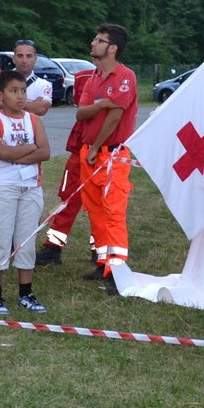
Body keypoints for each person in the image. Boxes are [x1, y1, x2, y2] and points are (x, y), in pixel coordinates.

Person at [0, 68, 51, 315]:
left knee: (26, 240)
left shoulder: (34, 120)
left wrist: (19, 154)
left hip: (31, 186)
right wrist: (29, 148)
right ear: (0, 95)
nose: (20, 96)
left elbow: (45, 152)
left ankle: (26, 292)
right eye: (13, 91)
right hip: (4, 186)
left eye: (23, 91)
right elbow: (2, 153)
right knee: (0, 238)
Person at [76, 23, 138, 289]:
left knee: (113, 211)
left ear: (112, 48)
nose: (93, 43)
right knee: (95, 210)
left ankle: (117, 270)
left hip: (110, 155)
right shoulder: (93, 77)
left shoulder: (126, 77)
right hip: (89, 154)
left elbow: (114, 118)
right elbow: (81, 113)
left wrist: (94, 147)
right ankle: (103, 262)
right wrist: (101, 103)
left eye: (98, 40)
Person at [35, 62, 97, 267]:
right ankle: (53, 247)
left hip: (102, 151)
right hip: (80, 150)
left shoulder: (122, 78)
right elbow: (83, 109)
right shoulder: (84, 77)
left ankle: (101, 250)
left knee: (101, 205)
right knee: (68, 199)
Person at [12, 40, 54, 117]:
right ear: (13, 58)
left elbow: (41, 109)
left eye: (29, 56)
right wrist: (31, 105)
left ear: (35, 59)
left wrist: (7, 103)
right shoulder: (1, 80)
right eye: (20, 56)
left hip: (32, 129)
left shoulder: (43, 84)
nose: (24, 61)